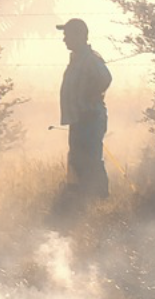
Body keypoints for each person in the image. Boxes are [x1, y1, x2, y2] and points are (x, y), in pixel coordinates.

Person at [57, 17, 113, 206]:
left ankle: (100, 198)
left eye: (67, 35)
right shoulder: (78, 58)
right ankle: (84, 196)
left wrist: (91, 96)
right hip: (79, 118)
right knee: (78, 157)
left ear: (79, 35)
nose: (64, 39)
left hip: (89, 117)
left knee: (90, 158)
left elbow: (105, 78)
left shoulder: (90, 59)